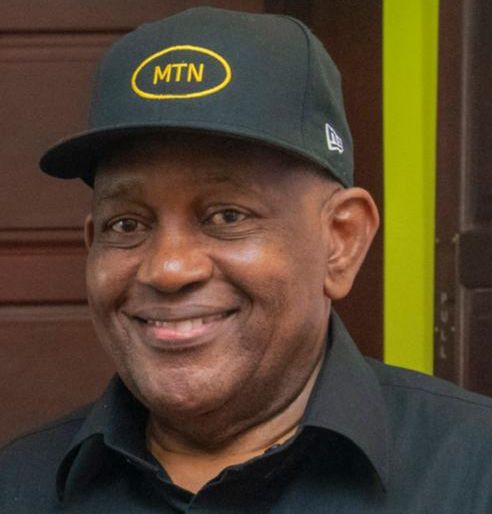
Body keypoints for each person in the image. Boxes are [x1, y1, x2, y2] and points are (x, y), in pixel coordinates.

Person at [1, 7, 492, 513]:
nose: (167, 269)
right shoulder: (20, 485)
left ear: (340, 241)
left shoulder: (474, 474)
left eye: (227, 216)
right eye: (126, 225)